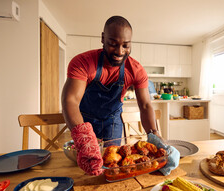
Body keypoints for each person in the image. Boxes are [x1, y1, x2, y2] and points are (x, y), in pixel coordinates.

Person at [62, 16, 161, 176]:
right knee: (84, 169)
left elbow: (145, 105)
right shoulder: (83, 62)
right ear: (103, 39)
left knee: (111, 165)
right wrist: (84, 137)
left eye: (126, 46)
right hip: (84, 120)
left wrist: (154, 134)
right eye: (113, 44)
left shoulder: (135, 69)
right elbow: (71, 100)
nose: (120, 52)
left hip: (112, 121)